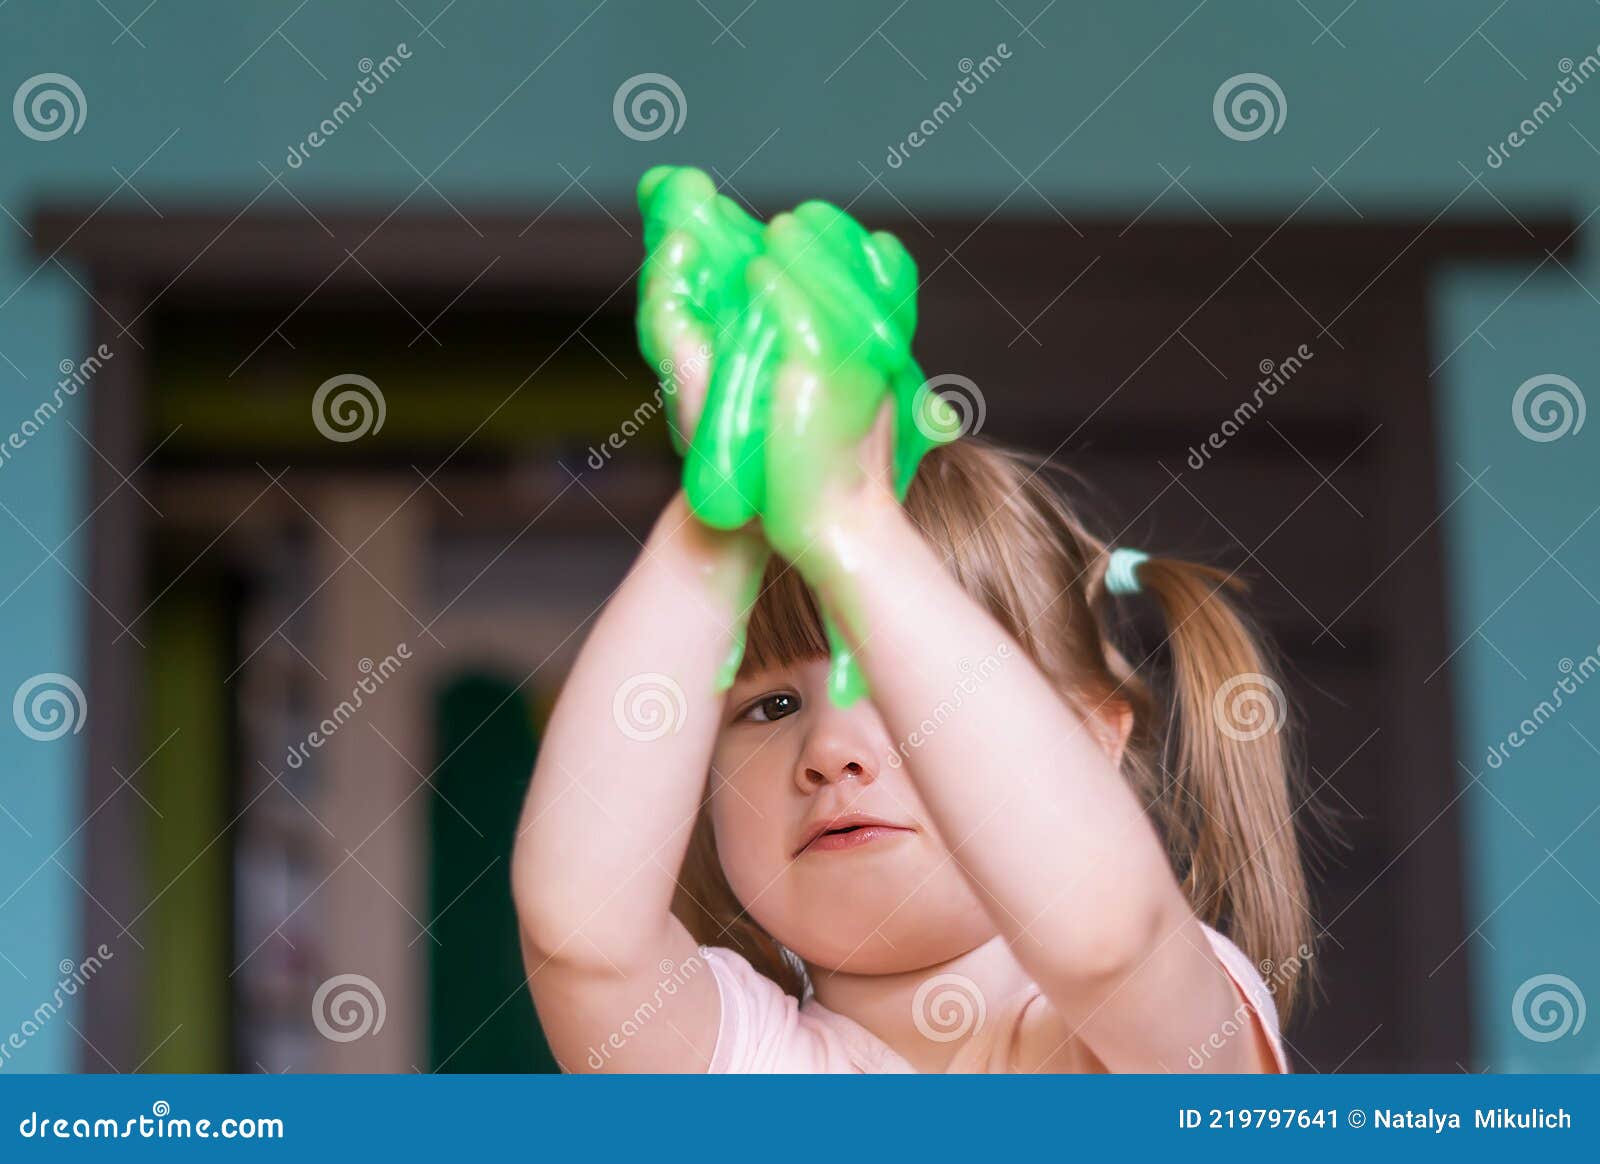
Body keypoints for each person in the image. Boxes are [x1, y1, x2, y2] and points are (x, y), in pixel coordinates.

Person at [511, 344, 1310, 1073]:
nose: (829, 749)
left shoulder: (1156, 1017)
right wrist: (718, 507)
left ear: (1093, 740)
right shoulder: (743, 1061)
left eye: (897, 695)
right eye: (773, 704)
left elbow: (1107, 937)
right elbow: (582, 937)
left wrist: (853, 527)